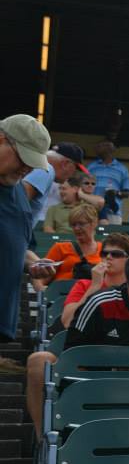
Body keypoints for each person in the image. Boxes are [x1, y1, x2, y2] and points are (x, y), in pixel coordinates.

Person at [25, 248, 129, 436]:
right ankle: (46, 441)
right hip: (96, 383)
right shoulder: (101, 303)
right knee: (38, 361)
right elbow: (72, 360)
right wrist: (123, 360)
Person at [0, 114, 50, 345]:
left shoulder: (19, 192)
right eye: (23, 158)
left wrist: (33, 263)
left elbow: (19, 246)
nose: (27, 168)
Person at [59, 233, 129, 329]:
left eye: (116, 254)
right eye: (104, 254)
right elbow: (67, 322)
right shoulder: (84, 285)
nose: (108, 257)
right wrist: (94, 287)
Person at [22, 142, 86, 229]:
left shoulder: (39, 166)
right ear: (65, 164)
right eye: (75, 169)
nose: (73, 174)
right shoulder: (46, 170)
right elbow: (18, 199)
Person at [37, 204, 103, 283]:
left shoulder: (104, 250)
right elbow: (40, 279)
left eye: (81, 224)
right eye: (73, 225)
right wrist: (42, 290)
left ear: (94, 223)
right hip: (63, 293)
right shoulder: (60, 248)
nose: (76, 228)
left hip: (93, 293)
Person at [86, 140, 129, 225]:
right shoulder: (91, 166)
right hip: (91, 210)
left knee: (113, 237)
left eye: (101, 146)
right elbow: (83, 186)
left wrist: (116, 193)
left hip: (113, 212)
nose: (97, 148)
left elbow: (127, 192)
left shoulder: (122, 168)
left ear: (110, 150)